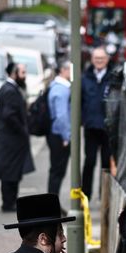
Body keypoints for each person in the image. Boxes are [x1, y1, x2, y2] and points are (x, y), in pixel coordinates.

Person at [0, 61, 34, 211]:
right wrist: (22, 130)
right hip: (11, 140)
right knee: (10, 173)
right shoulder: (10, 90)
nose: (24, 76)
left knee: (12, 172)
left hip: (11, 139)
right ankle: (8, 203)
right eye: (22, 73)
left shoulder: (10, 88)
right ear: (14, 73)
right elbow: (9, 115)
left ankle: (10, 202)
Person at [80, 47, 113, 200]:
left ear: (107, 59)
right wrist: (83, 119)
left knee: (106, 165)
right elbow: (79, 101)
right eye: (96, 58)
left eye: (102, 58)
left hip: (108, 129)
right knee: (89, 162)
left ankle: (104, 196)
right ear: (92, 60)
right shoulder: (84, 78)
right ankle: (85, 195)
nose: (99, 61)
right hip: (91, 127)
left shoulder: (113, 78)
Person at [46, 61, 73, 197]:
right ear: (64, 70)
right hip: (59, 136)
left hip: (56, 134)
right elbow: (61, 116)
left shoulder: (56, 86)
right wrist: (66, 137)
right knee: (57, 171)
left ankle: (52, 203)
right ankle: (52, 205)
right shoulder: (61, 89)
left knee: (56, 171)